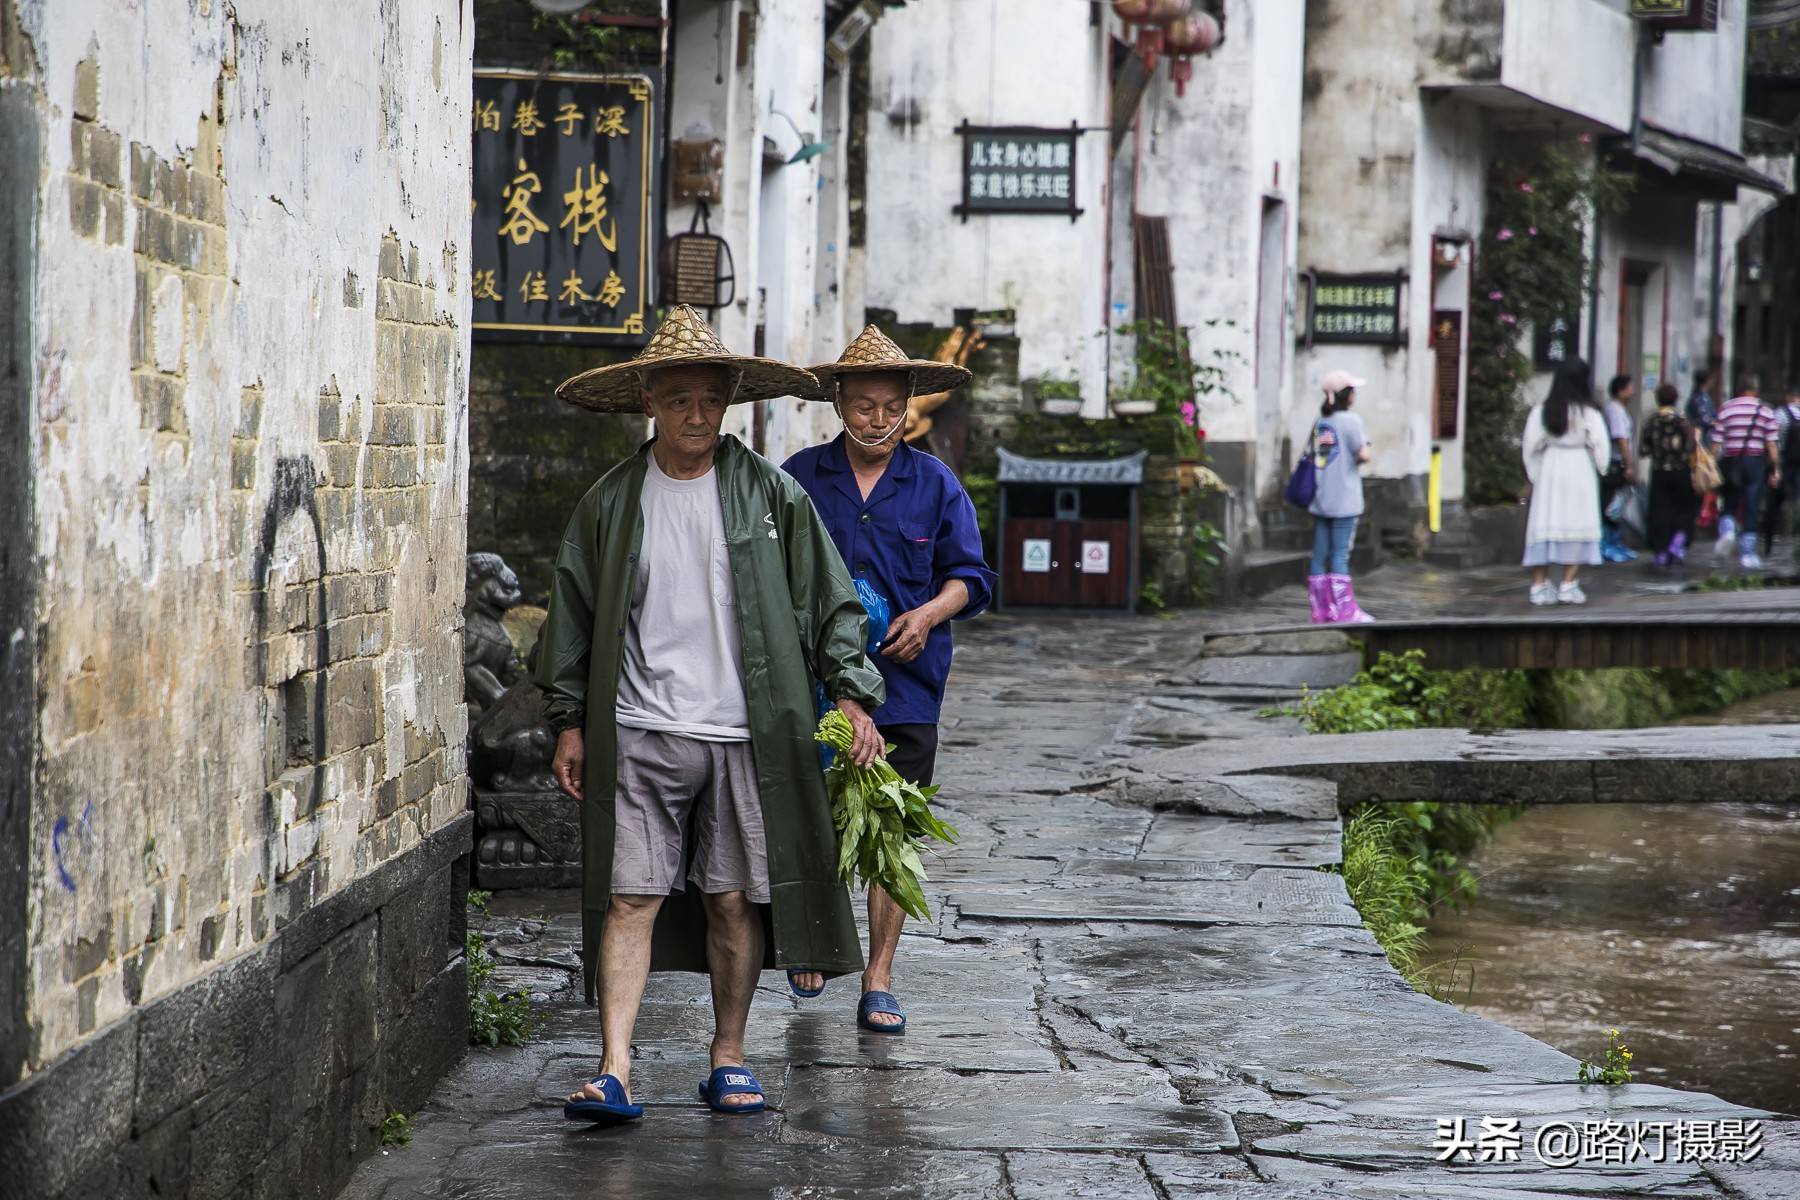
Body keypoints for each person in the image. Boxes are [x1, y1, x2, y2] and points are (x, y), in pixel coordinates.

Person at [534, 305, 887, 1125]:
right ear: (649, 402)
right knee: (630, 898)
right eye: (679, 398)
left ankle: (727, 1057)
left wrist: (850, 692)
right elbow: (573, 616)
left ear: (729, 402)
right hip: (643, 729)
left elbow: (829, 602)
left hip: (745, 734)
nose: (697, 415)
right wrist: (569, 719)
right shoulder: (612, 503)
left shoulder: (770, 494)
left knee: (734, 899)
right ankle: (614, 1067)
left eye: (710, 399)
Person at [781, 325, 997, 1034]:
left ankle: (878, 974)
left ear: (910, 405)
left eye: (889, 407)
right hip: (812, 686)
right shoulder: (800, 478)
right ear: (837, 401)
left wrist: (930, 615)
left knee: (892, 830)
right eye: (862, 405)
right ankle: (811, 938)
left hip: (906, 686)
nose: (875, 421)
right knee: (811, 819)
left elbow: (973, 577)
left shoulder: (934, 483)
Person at [1522, 356, 1610, 605]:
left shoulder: (1542, 410)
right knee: (1578, 521)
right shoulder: (1589, 413)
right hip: (1579, 467)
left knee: (1545, 520)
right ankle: (1568, 584)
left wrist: (1534, 471)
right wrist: (1602, 466)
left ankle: (1538, 586)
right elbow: (1601, 446)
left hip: (1551, 467)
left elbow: (1530, 445)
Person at [1305, 369, 1374, 623]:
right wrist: (1361, 454)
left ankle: (1321, 611)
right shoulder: (1351, 421)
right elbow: (1363, 454)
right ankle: (1346, 611)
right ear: (1348, 396)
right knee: (1340, 554)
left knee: (1319, 554)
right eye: (1353, 390)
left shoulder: (1321, 422)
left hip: (1322, 498)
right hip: (1345, 499)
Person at [1710, 375, 1781, 570]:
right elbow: (1772, 445)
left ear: (1739, 389)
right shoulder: (1765, 411)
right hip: (1755, 462)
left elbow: (1716, 443)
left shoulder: (1726, 408)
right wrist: (1775, 470)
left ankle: (1728, 532)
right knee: (1752, 504)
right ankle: (1747, 554)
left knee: (1729, 499)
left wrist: (1711, 466)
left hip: (1730, 460)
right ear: (1756, 390)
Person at [1638, 382, 1697, 566]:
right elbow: (1691, 447)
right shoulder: (1682, 421)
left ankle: (1660, 551)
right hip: (1681, 471)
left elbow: (1643, 450)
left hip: (1659, 471)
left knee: (1659, 510)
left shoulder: (1651, 421)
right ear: (1675, 399)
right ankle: (1678, 542)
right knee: (1683, 508)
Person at [1599, 375, 1638, 563]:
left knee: (1616, 506)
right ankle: (1607, 544)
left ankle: (1615, 542)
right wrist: (1628, 464)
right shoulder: (1614, 409)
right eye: (1630, 387)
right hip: (1615, 464)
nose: (1632, 391)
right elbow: (1620, 437)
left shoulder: (1617, 408)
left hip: (1616, 463)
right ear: (1621, 390)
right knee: (1611, 506)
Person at [1759, 384, 1800, 559]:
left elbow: (1772, 439)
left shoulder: (1780, 414)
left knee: (1774, 504)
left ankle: (1769, 542)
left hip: (1783, 464)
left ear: (1788, 397)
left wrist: (1772, 466)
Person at [1685, 367, 1719, 446]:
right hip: (1702, 437)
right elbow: (1704, 419)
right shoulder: (1700, 398)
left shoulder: (1700, 396)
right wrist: (1715, 423)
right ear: (1707, 381)